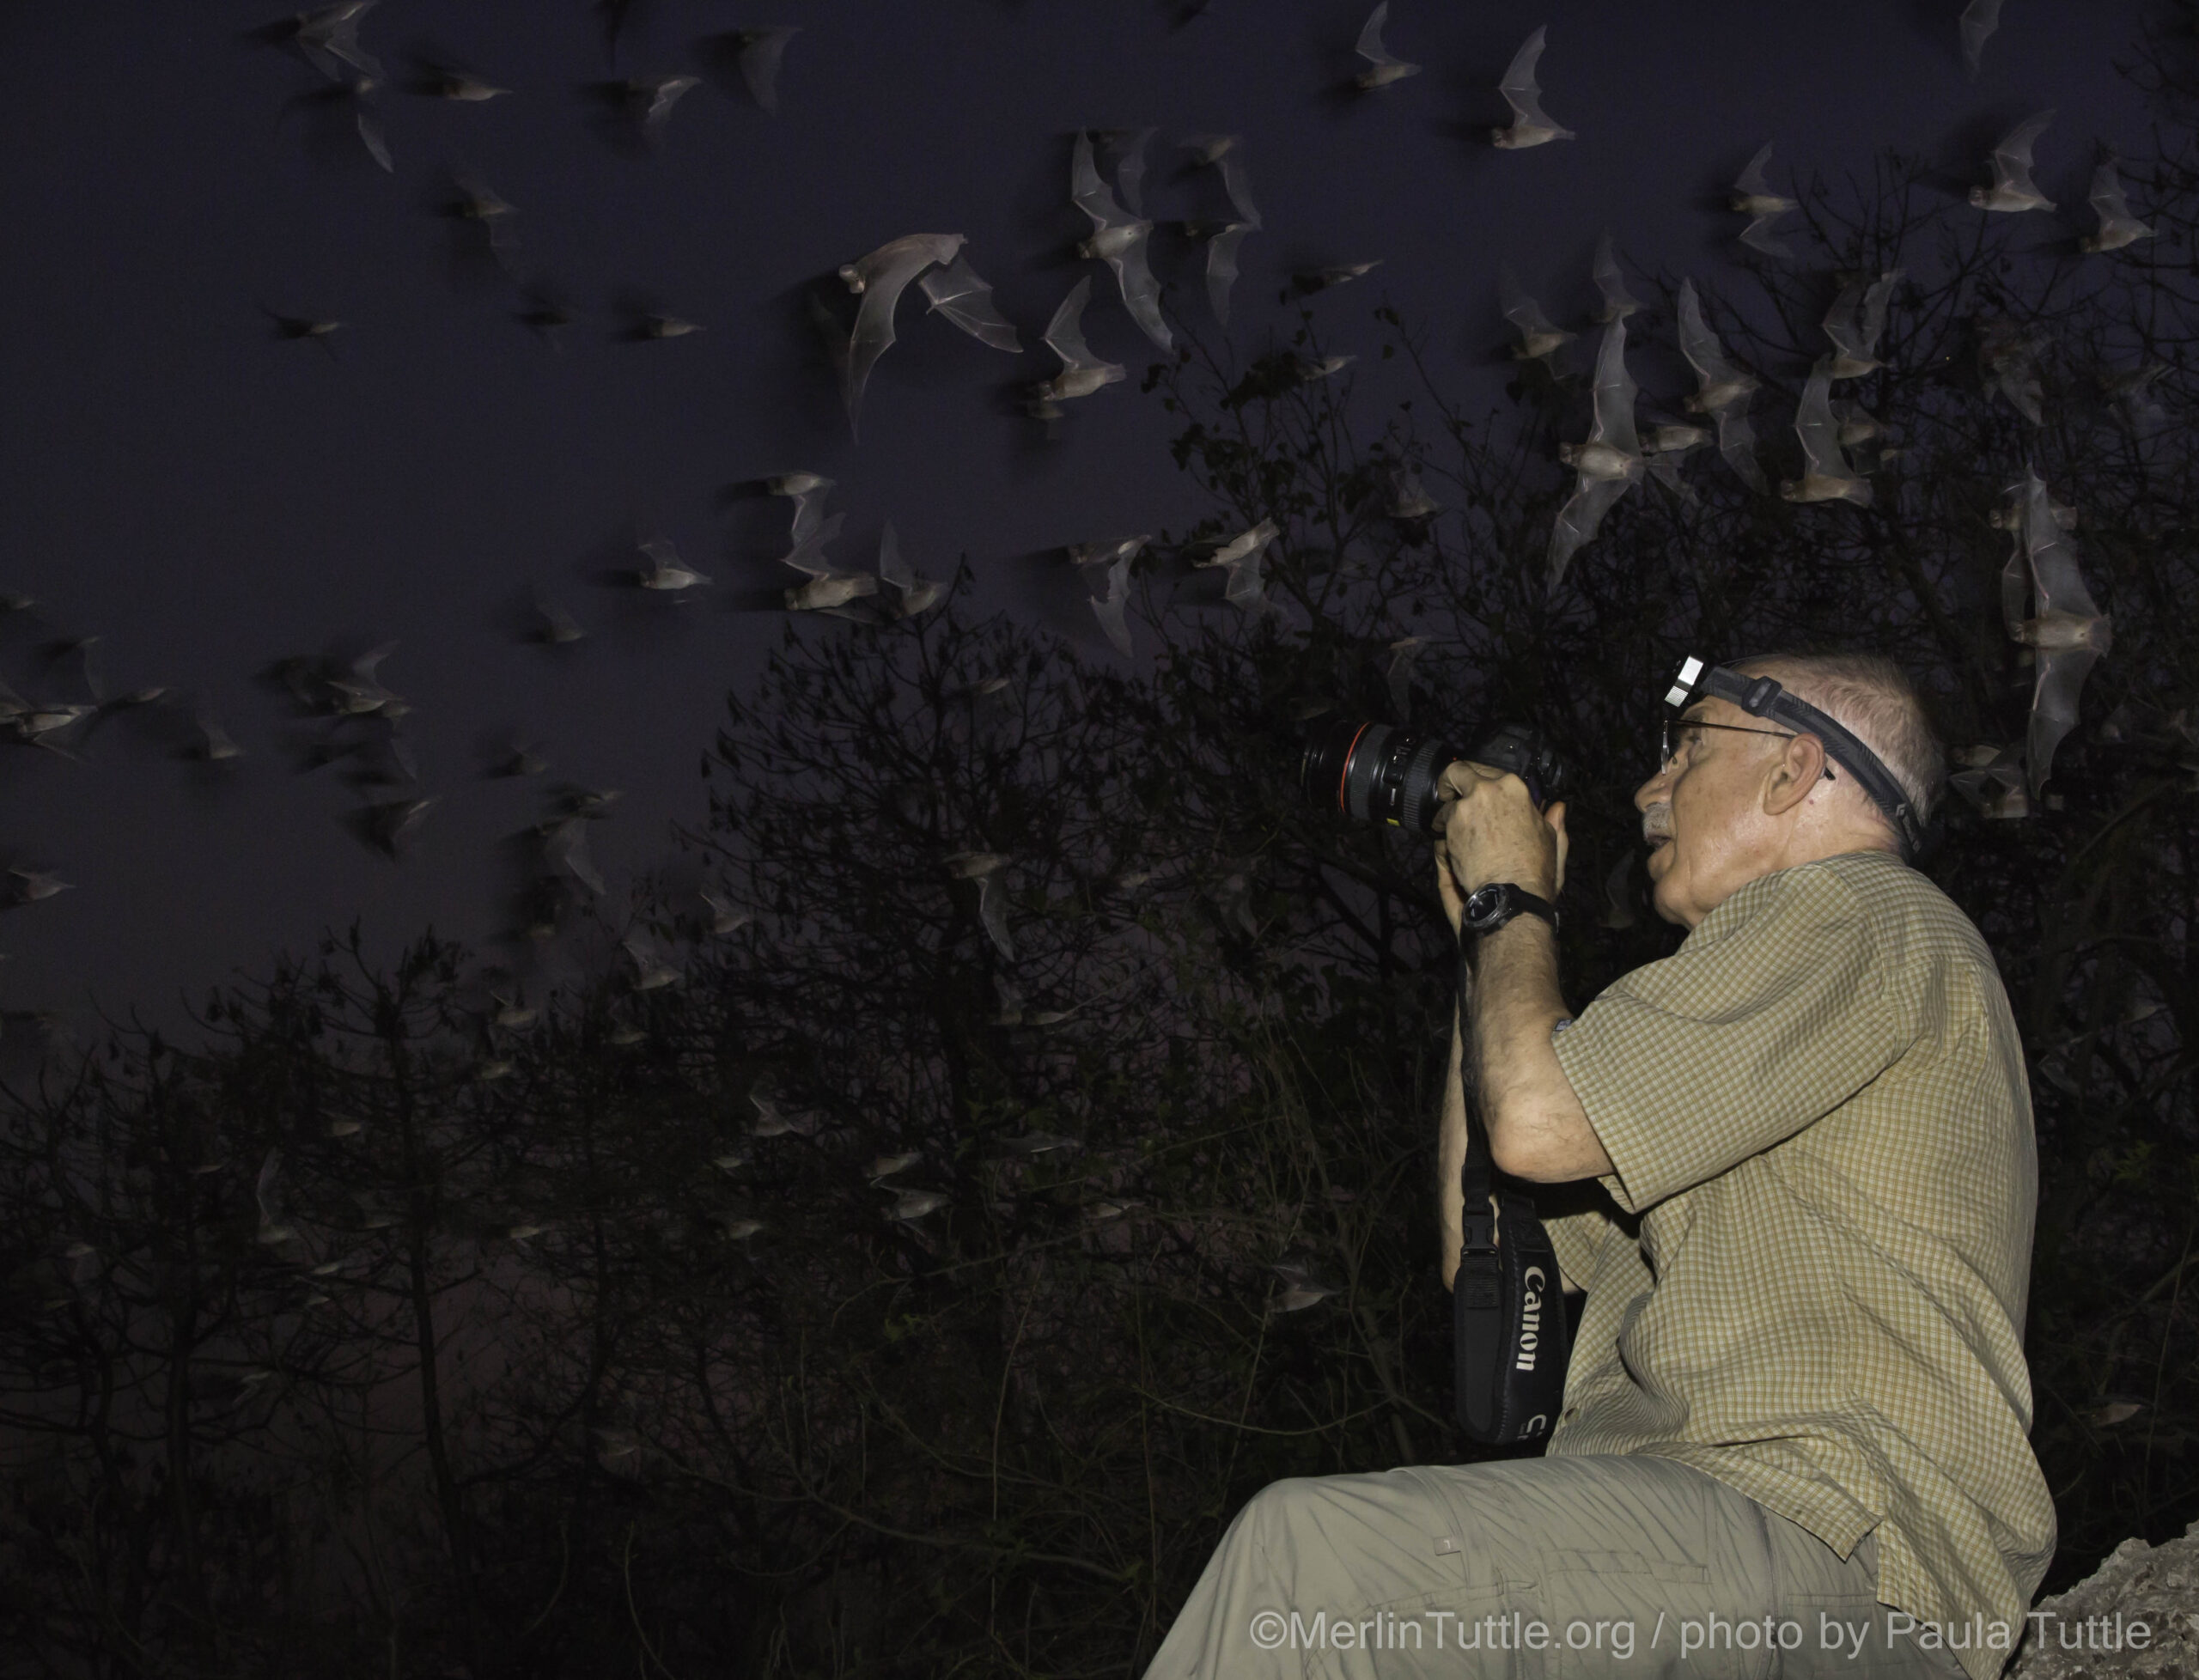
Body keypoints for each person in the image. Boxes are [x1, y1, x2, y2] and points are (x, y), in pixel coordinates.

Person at [1140, 653, 2053, 1679]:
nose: (1646, 791)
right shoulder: (1744, 1026)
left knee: (1304, 1563)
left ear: (1794, 771)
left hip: (1826, 1530)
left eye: (1688, 749)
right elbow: (1482, 1262)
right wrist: (1485, 945)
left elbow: (1534, 1120)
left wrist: (1512, 899)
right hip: (1724, 1566)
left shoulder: (1858, 910)